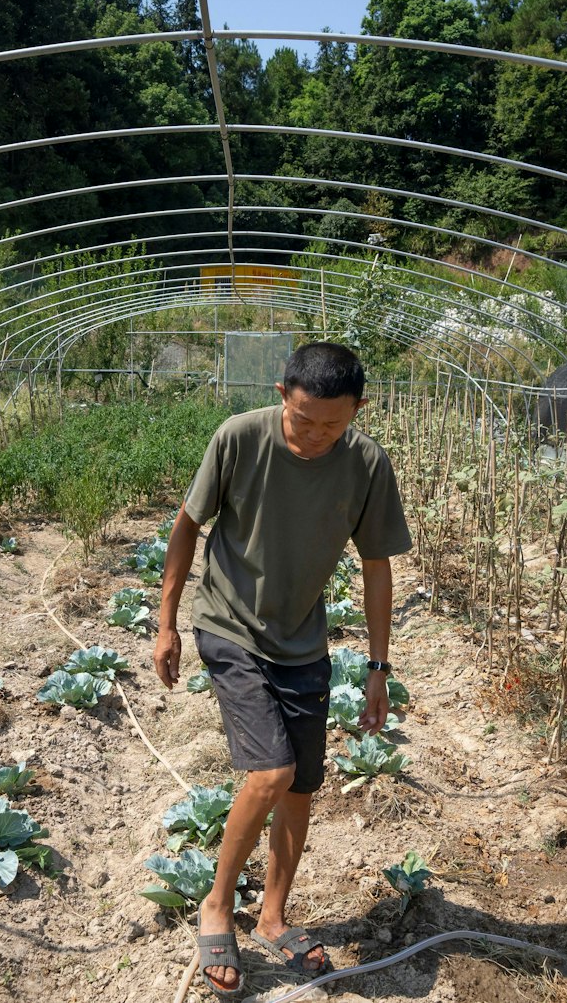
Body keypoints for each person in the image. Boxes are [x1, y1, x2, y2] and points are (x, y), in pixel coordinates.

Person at [151, 342, 412, 999]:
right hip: (229, 625)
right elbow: (187, 525)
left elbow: (377, 566)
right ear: (281, 395)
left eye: (333, 424)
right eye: (302, 420)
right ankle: (217, 904)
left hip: (302, 643)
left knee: (302, 788)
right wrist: (166, 622)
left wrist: (378, 667)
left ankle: (272, 915)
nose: (315, 436)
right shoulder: (240, 438)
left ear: (358, 411)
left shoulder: (366, 465)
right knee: (271, 772)